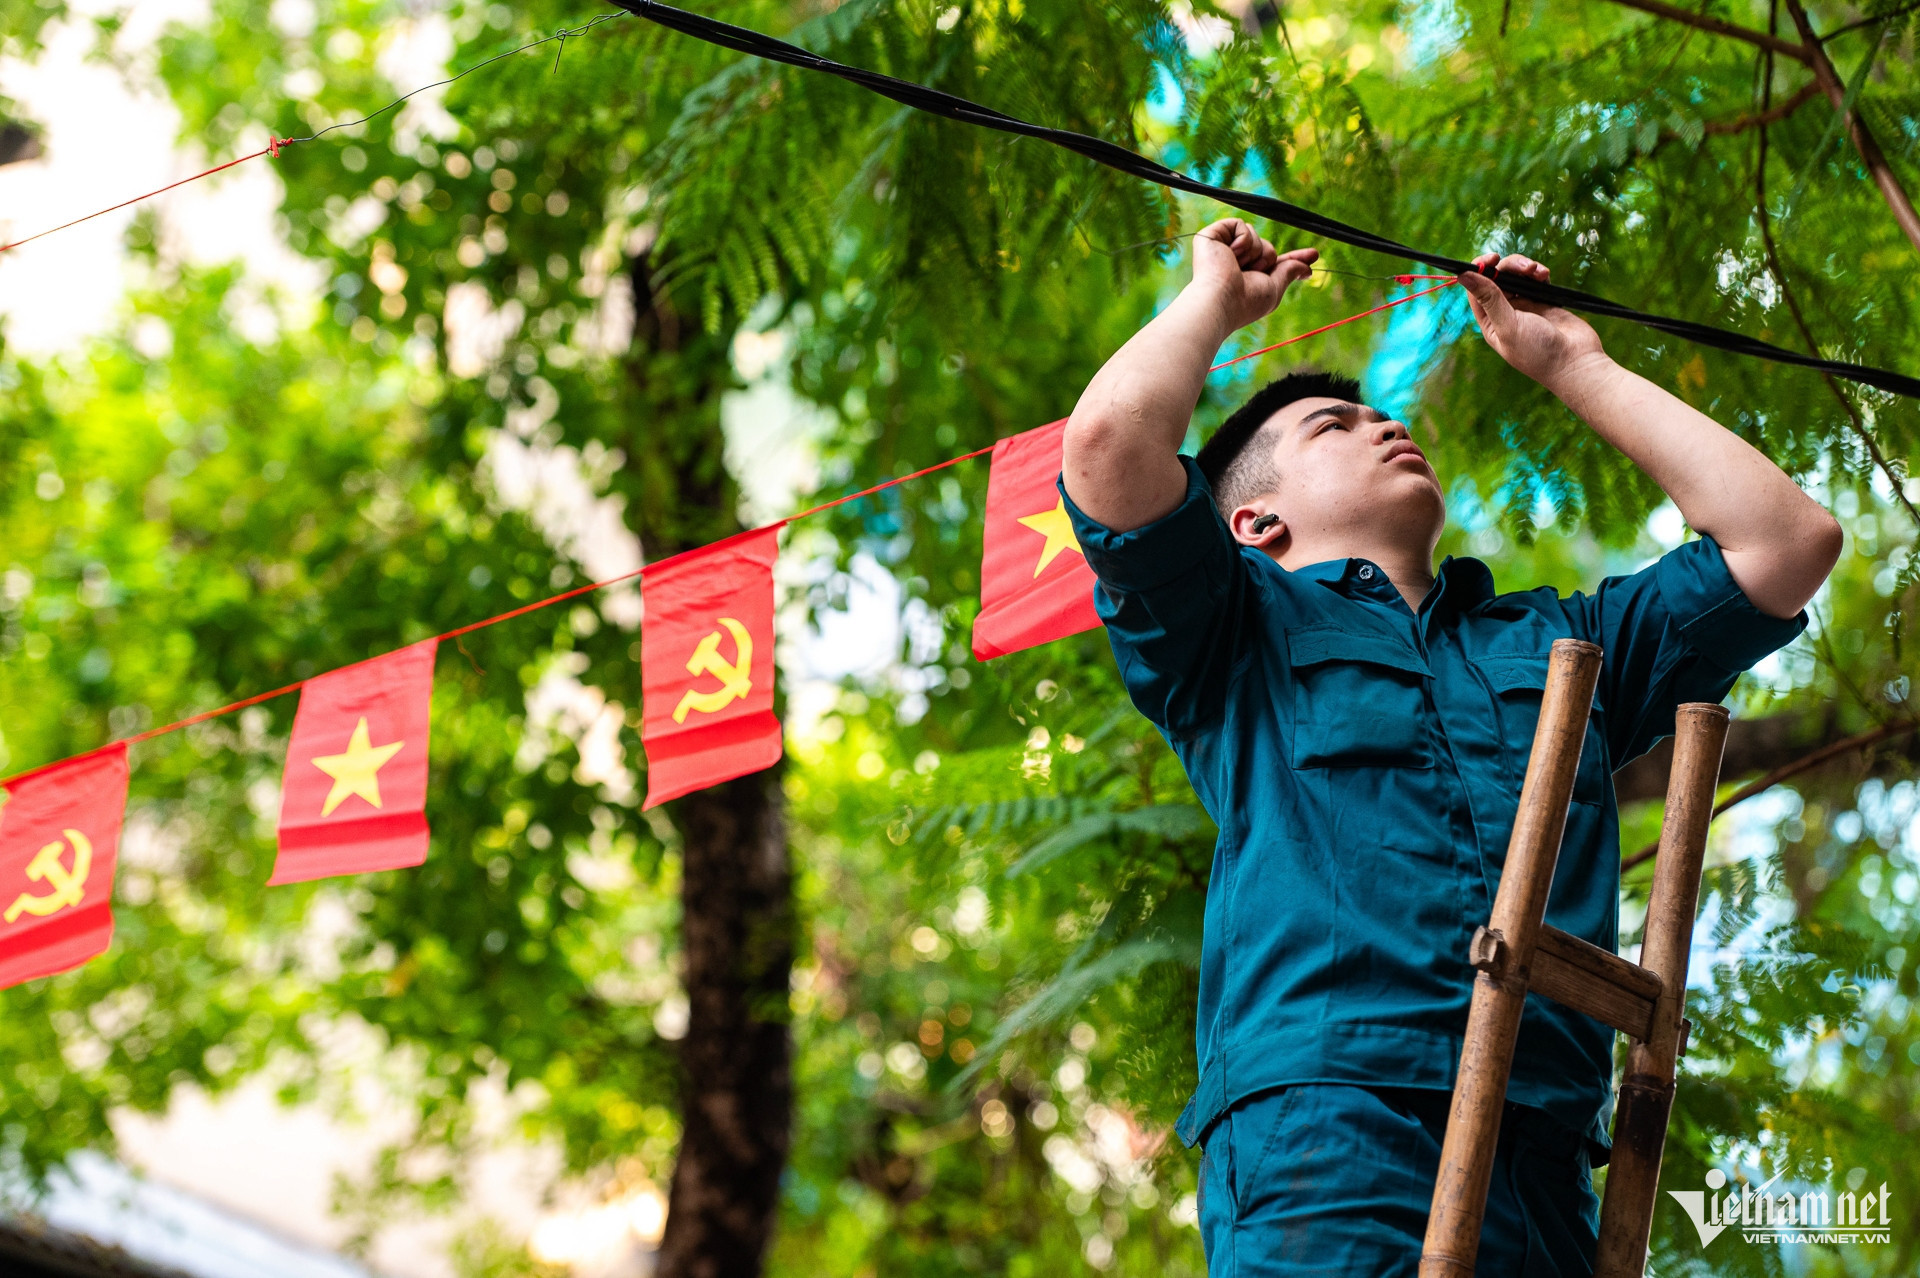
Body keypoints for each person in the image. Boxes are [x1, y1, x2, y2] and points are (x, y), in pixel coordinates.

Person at [1058, 219, 1842, 1276]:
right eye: (1337, 425)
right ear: (1254, 525)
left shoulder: (1562, 642)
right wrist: (1216, 304)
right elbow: (1109, 448)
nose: (1387, 427)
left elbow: (1786, 541)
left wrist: (1574, 364)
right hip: (1330, 1138)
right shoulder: (1234, 635)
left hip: (1551, 1161)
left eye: (1383, 414)